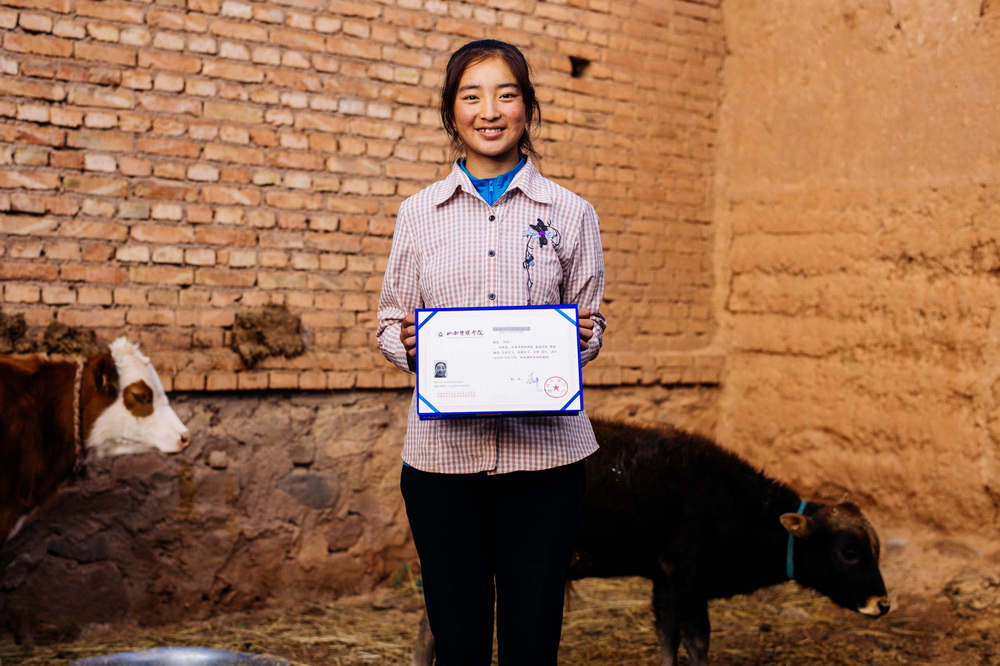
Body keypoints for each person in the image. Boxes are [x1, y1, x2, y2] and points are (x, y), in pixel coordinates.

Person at [376, 39, 606, 666]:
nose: (490, 110)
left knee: (533, 644)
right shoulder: (418, 214)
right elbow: (387, 323)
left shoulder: (571, 213)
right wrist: (407, 343)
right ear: (451, 114)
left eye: (507, 94)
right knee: (459, 641)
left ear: (528, 108)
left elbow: (593, 322)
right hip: (442, 467)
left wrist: (582, 336)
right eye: (471, 96)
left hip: (547, 465)